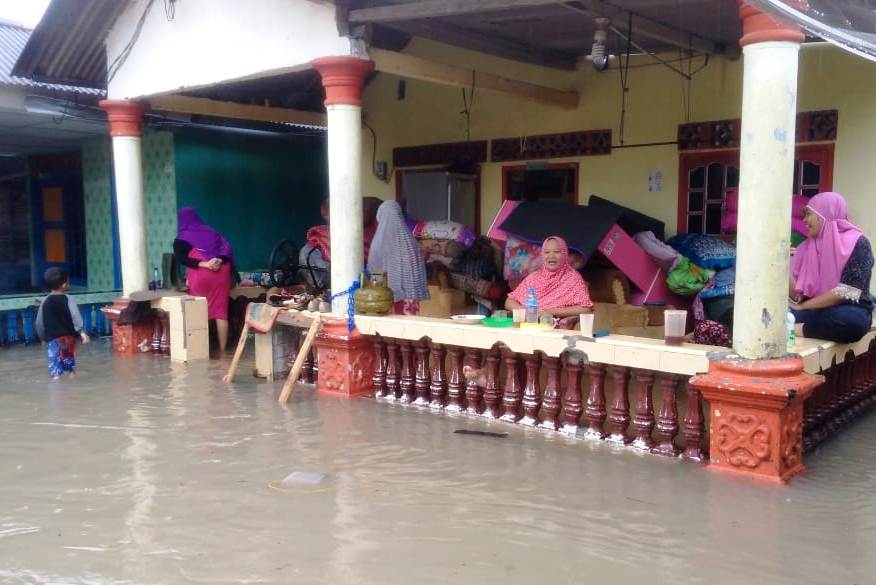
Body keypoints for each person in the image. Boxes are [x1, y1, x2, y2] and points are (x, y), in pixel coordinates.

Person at [789, 191, 874, 343]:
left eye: (808, 214)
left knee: (853, 322)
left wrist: (803, 307)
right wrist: (782, 265)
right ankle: (799, 325)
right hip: (814, 311)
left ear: (824, 215)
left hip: (848, 308)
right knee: (768, 314)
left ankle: (794, 329)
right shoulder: (806, 247)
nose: (804, 220)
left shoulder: (859, 243)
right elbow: (797, 297)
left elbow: (848, 292)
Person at [174, 207, 235, 353]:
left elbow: (181, 258)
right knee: (221, 313)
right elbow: (227, 247)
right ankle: (222, 352)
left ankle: (201, 351)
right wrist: (219, 260)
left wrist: (204, 264)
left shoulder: (181, 238)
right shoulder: (212, 231)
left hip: (200, 275)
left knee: (200, 311)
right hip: (220, 273)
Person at [505, 236, 593, 318]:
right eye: (547, 252)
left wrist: (550, 311)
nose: (551, 256)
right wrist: (526, 312)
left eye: (557, 252)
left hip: (555, 327)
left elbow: (585, 309)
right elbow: (509, 301)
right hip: (529, 324)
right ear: (542, 255)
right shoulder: (534, 277)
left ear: (564, 254)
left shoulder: (573, 278)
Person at [367, 201, 429, 315]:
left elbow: (374, 270)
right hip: (411, 296)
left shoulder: (378, 243)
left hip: (386, 296)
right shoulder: (411, 242)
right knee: (409, 328)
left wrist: (377, 292)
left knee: (389, 328)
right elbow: (419, 270)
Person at [35, 267, 90, 379]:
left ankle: (57, 392)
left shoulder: (45, 301)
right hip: (69, 338)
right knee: (70, 365)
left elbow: (39, 323)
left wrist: (43, 337)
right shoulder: (68, 299)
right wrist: (82, 332)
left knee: (55, 368)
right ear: (64, 285)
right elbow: (76, 317)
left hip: (53, 339)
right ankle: (72, 380)